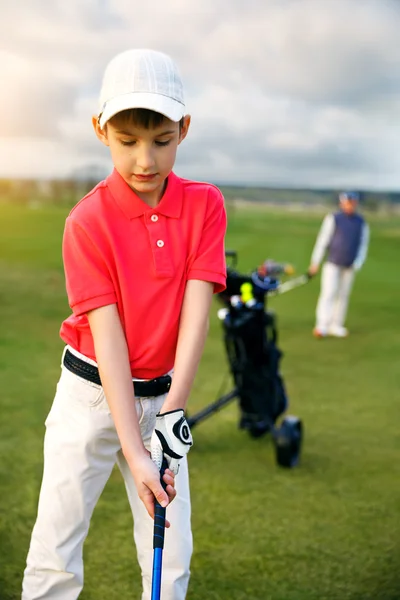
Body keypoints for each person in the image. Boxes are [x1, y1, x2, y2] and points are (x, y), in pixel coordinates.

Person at [22, 49, 227, 600]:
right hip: (91, 392)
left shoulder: (207, 205)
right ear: (100, 130)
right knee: (57, 548)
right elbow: (108, 338)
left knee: (171, 553)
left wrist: (170, 416)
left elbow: (196, 315)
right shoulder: (86, 221)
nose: (145, 160)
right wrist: (135, 454)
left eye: (161, 140)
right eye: (128, 141)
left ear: (183, 129)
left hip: (163, 398)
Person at [308, 191, 369, 338]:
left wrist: (358, 262)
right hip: (333, 262)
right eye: (347, 202)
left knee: (343, 295)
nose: (349, 205)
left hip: (349, 264)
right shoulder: (333, 218)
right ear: (342, 203)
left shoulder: (361, 222)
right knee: (329, 293)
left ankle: (336, 324)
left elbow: (363, 244)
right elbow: (323, 240)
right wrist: (315, 262)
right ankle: (322, 324)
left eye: (352, 202)